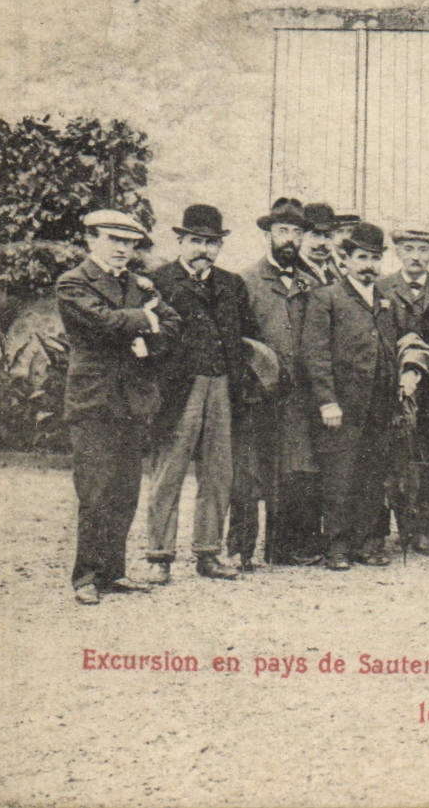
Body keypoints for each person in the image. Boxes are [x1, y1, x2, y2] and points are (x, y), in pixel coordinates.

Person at [59, 210, 182, 604]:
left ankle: (114, 572)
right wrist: (146, 317)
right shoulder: (74, 282)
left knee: (125, 491)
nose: (122, 250)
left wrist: (143, 323)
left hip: (133, 400)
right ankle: (87, 577)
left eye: (129, 243)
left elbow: (173, 324)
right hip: (95, 402)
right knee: (95, 491)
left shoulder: (137, 283)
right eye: (114, 240)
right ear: (92, 240)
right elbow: (102, 323)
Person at [144, 204, 257, 584]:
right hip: (178, 390)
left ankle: (207, 553)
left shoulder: (232, 285)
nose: (203, 250)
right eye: (195, 241)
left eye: (211, 243)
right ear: (180, 241)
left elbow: (247, 337)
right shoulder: (157, 282)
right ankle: (159, 556)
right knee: (169, 472)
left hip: (222, 385)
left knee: (217, 473)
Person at [301, 221, 406, 570]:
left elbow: (391, 349)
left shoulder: (385, 301)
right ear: (345, 259)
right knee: (339, 476)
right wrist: (327, 401)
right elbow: (316, 356)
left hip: (379, 406)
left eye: (375, 259)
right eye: (362, 258)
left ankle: (365, 543)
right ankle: (337, 545)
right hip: (342, 407)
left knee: (372, 475)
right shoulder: (327, 298)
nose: (369, 266)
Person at [234, 198, 320, 567]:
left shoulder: (311, 282)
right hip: (260, 394)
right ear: (268, 234)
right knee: (252, 472)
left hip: (300, 396)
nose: (289, 239)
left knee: (296, 469)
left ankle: (284, 548)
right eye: (282, 231)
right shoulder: (247, 281)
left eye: (296, 232)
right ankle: (241, 550)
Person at [375, 225, 429, 553]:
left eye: (424, 250)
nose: (416, 256)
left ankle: (425, 528)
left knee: (428, 459)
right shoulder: (381, 288)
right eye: (409, 249)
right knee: (395, 458)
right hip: (393, 389)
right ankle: (401, 525)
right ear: (398, 252)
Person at [298, 202, 344, 286]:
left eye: (328, 236)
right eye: (316, 235)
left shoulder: (335, 272)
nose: (322, 242)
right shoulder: (292, 272)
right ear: (300, 236)